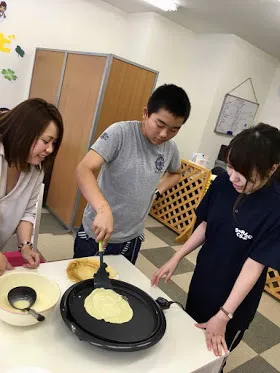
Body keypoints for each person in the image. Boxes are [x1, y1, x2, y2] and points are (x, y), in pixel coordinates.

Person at [152, 123, 280, 364]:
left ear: (272, 169)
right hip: (203, 280)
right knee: (188, 343)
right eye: (231, 167)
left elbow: (254, 266)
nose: (234, 178)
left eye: (245, 175)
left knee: (212, 360)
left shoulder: (275, 207)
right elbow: (207, 225)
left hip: (235, 301)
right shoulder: (223, 183)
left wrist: (224, 314)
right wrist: (176, 257)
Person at [74, 84, 191, 264]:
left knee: (117, 288)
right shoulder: (120, 133)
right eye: (160, 124)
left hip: (132, 237)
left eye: (174, 129)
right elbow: (84, 169)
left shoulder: (170, 148)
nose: (164, 134)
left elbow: (175, 173)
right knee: (83, 286)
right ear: (146, 113)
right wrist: (103, 209)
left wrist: (156, 191)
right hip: (98, 233)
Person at [0, 98, 64, 276]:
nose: (50, 149)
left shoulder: (35, 169)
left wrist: (25, 246)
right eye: (46, 141)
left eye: (54, 143)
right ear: (23, 132)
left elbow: (28, 211)